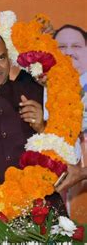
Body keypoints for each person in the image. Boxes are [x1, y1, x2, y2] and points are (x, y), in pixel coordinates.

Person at [0, 30, 68, 213]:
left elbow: (65, 151)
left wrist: (42, 127)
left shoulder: (37, 92)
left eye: (1, 58)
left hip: (41, 204)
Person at [54, 24, 87, 223]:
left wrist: (83, 173)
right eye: (61, 47)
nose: (68, 53)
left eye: (76, 46)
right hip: (58, 202)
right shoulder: (41, 92)